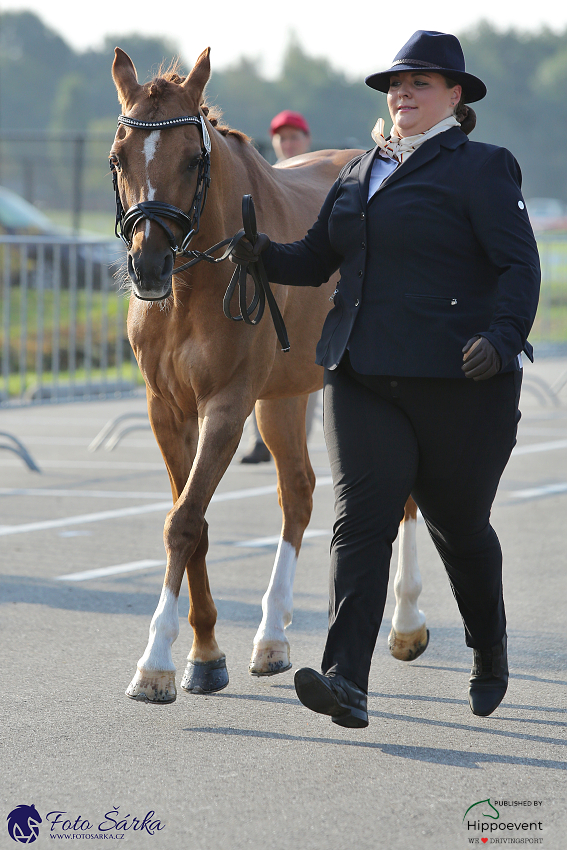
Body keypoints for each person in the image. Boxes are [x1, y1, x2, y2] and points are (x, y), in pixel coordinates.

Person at [231, 30, 540, 728]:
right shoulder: (358, 171)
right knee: (359, 525)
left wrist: (502, 338)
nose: (401, 92)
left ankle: (488, 650)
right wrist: (260, 255)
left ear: (454, 97)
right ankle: (346, 680)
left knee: (458, 527)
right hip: (361, 371)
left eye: (420, 82)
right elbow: (315, 258)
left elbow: (519, 267)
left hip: (460, 377)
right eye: (395, 84)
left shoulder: (484, 168)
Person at [241, 109, 317, 464]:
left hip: (307, 293)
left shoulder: (311, 185)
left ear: (306, 140)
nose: (287, 144)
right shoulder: (260, 181)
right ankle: (262, 440)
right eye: (281, 138)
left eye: (293, 137)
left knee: (301, 369)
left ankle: (297, 438)